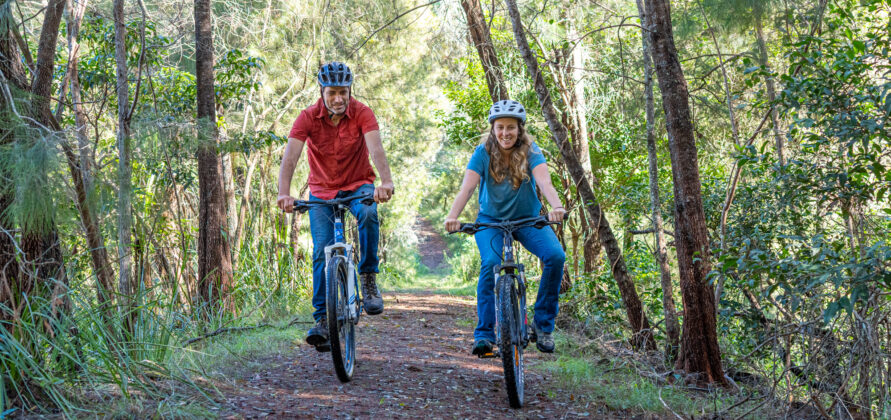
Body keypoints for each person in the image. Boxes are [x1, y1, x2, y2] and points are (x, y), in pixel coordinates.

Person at [277, 61, 394, 352]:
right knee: (320, 251)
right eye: (332, 93)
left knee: (368, 213)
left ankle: (367, 278)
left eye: (343, 92)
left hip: (358, 186)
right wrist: (284, 193)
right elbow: (290, 157)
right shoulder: (307, 117)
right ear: (322, 91)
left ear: (349, 90)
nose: (338, 98)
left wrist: (386, 182)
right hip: (321, 192)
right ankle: (321, 321)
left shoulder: (363, 113)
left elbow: (376, 149)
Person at [444, 100, 566, 355]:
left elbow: (545, 182)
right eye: (500, 127)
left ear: (519, 129)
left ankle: (543, 325)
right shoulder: (482, 152)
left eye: (510, 127)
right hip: (491, 223)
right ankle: (485, 335)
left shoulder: (533, 151)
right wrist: (452, 216)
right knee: (490, 265)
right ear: (493, 129)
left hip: (529, 220)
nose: (505, 133)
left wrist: (556, 207)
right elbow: (467, 188)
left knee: (555, 256)